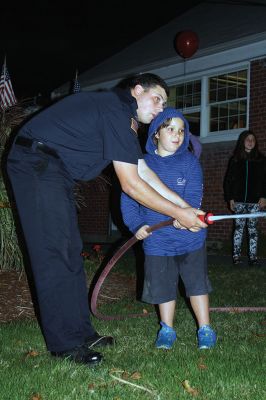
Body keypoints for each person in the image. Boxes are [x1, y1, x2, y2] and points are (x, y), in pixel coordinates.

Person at [6, 73, 207, 367]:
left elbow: (144, 173)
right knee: (54, 254)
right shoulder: (115, 108)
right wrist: (179, 214)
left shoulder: (122, 117)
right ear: (137, 90)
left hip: (51, 170)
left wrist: (187, 207)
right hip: (35, 162)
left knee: (69, 250)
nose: (161, 108)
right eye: (157, 99)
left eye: (164, 103)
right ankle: (66, 344)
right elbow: (131, 185)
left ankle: (82, 333)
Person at [120, 107, 216, 350]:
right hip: (158, 240)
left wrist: (187, 218)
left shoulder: (190, 163)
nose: (177, 134)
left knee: (197, 284)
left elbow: (193, 199)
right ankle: (167, 329)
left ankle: (205, 328)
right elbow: (130, 198)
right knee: (163, 286)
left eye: (181, 130)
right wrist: (138, 225)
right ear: (155, 134)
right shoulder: (141, 163)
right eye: (170, 129)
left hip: (189, 240)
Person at [224, 130, 266, 266]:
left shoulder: (261, 159)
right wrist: (230, 198)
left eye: (253, 139)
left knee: (253, 229)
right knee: (239, 228)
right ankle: (236, 256)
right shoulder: (235, 160)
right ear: (243, 141)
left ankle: (253, 257)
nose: (250, 142)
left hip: (255, 202)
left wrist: (264, 196)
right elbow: (228, 181)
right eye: (248, 139)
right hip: (239, 201)